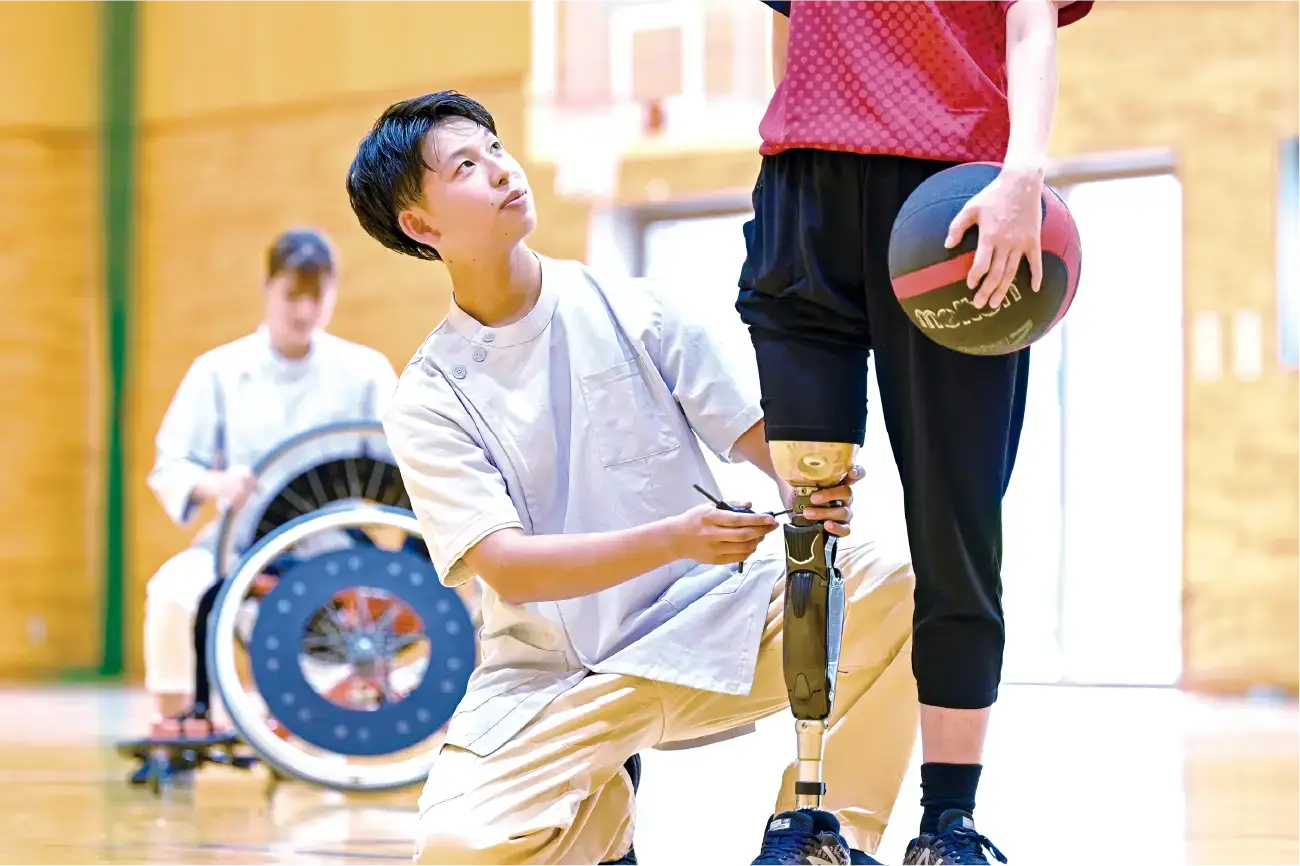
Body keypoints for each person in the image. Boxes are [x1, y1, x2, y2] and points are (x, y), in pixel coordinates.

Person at [346, 91, 919, 866]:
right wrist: (676, 538)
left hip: (713, 617)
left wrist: (810, 486)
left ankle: (822, 839)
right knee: (457, 848)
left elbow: (766, 447)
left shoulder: (632, 308)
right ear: (421, 226)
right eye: (465, 166)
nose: (503, 170)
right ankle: (600, 817)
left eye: (495, 148)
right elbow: (506, 565)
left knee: (894, 580)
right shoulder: (428, 395)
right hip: (553, 676)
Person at [735, 1, 1094, 863]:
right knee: (809, 517)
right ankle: (808, 814)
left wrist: (1022, 173)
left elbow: (1030, 21)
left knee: (955, 531)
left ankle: (949, 822)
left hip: (953, 199)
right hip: (802, 197)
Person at [140, 228, 398, 754]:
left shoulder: (365, 371)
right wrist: (216, 483)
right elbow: (173, 465)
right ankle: (179, 725)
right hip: (238, 544)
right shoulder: (218, 371)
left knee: (327, 702)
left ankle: (334, 715)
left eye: (316, 296)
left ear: (333, 294)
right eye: (292, 295)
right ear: (268, 288)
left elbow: (401, 466)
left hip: (333, 551)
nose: (304, 310)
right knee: (172, 592)